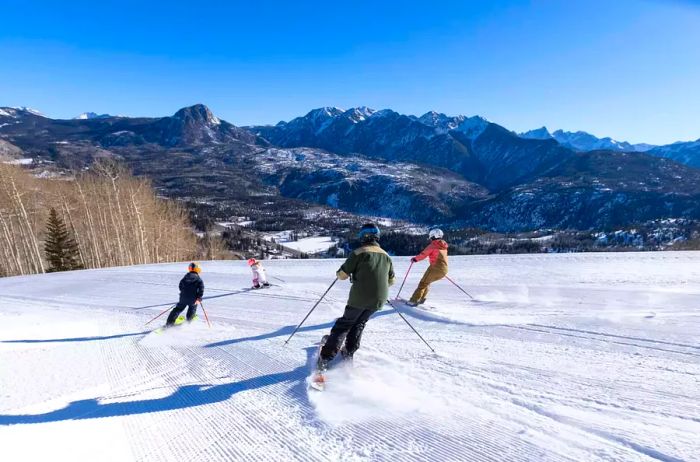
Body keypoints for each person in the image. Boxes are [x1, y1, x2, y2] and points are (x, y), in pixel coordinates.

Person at [317, 223, 395, 371]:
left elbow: (342, 275)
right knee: (359, 323)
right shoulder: (386, 255)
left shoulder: (359, 252)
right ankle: (349, 351)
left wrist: (343, 272)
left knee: (344, 324)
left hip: (360, 297)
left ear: (363, 237)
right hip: (379, 299)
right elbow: (391, 280)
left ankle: (326, 357)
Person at [407, 228, 448, 306]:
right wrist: (442, 269)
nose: (430, 238)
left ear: (433, 236)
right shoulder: (444, 246)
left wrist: (415, 259)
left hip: (435, 268)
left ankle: (414, 300)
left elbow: (423, 254)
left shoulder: (433, 245)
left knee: (423, 283)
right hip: (444, 269)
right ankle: (421, 299)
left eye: (431, 236)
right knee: (427, 282)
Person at [165, 262, 204, 327]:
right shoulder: (198, 279)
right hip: (193, 299)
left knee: (178, 309)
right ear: (198, 270)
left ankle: (169, 323)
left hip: (183, 298)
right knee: (192, 308)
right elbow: (201, 289)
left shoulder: (185, 277)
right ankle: (189, 321)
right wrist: (199, 297)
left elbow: (180, 285)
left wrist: (183, 292)